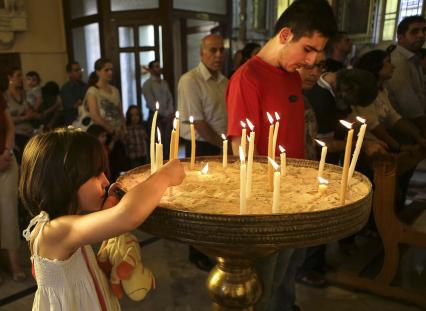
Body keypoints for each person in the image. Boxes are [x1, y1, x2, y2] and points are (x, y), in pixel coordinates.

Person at [226, 0, 337, 310]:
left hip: (296, 197)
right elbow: (243, 152)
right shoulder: (247, 78)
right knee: (265, 283)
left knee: (288, 275)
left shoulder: (291, 74)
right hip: (268, 207)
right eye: (308, 49)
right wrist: (266, 208)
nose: (312, 60)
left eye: (319, 52)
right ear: (286, 34)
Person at [20, 127, 185, 310]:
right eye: (96, 174)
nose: (106, 181)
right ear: (65, 181)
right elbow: (128, 216)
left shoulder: (66, 224)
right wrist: (164, 176)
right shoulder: (54, 231)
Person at [177, 33, 228, 271]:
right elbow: (198, 122)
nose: (218, 55)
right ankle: (196, 251)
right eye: (212, 50)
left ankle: (214, 246)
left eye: (221, 50)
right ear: (201, 53)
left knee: (217, 199)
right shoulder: (191, 80)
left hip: (220, 143)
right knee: (198, 201)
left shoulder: (224, 81)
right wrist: (223, 145)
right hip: (201, 146)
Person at [77, 58, 128, 180]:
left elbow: (120, 112)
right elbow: (95, 115)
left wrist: (123, 128)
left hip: (117, 133)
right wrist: (112, 131)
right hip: (103, 134)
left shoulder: (114, 90)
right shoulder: (93, 91)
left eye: (111, 69)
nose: (110, 72)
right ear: (98, 72)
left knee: (119, 166)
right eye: (106, 70)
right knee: (106, 168)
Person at [0, 90, 26, 284]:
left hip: (6, 160)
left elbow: (9, 126)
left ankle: (14, 264)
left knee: (9, 213)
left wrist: (7, 152)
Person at [386, 16, 426, 135]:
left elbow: (420, 93)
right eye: (414, 31)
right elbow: (408, 103)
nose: (421, 35)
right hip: (404, 130)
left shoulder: (414, 58)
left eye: (424, 30)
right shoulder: (398, 61)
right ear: (400, 37)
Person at [4, 66, 38, 164]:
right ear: (10, 77)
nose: (21, 79)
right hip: (16, 136)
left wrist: (32, 113)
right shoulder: (4, 97)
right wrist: (24, 117)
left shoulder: (27, 94)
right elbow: (7, 120)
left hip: (30, 133)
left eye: (21, 76)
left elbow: (34, 112)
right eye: (18, 76)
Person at [142, 59, 174, 160]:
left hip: (167, 117)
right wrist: (164, 114)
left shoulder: (164, 83)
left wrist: (170, 113)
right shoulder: (147, 84)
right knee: (157, 143)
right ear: (151, 69)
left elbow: (170, 98)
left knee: (168, 142)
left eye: (159, 66)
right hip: (156, 117)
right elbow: (151, 103)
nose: (159, 68)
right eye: (156, 66)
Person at [60, 61, 87, 125]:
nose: (80, 72)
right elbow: (74, 106)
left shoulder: (85, 86)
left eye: (80, 69)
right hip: (73, 121)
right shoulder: (66, 88)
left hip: (86, 119)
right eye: (76, 70)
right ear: (69, 73)